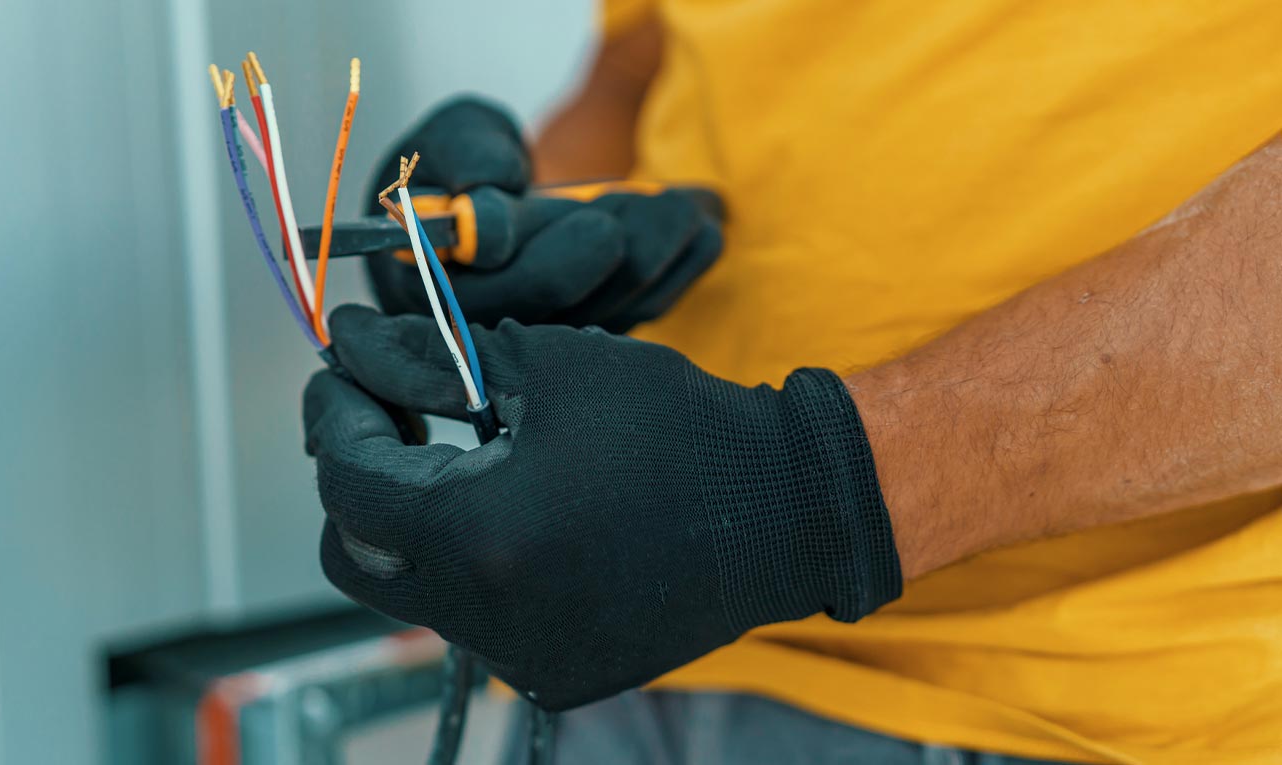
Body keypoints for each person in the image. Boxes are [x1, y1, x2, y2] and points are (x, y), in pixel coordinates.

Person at [302, 2, 1282, 763]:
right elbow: (639, 68)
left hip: (1088, 708)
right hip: (624, 664)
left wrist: (814, 490)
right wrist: (528, 218)